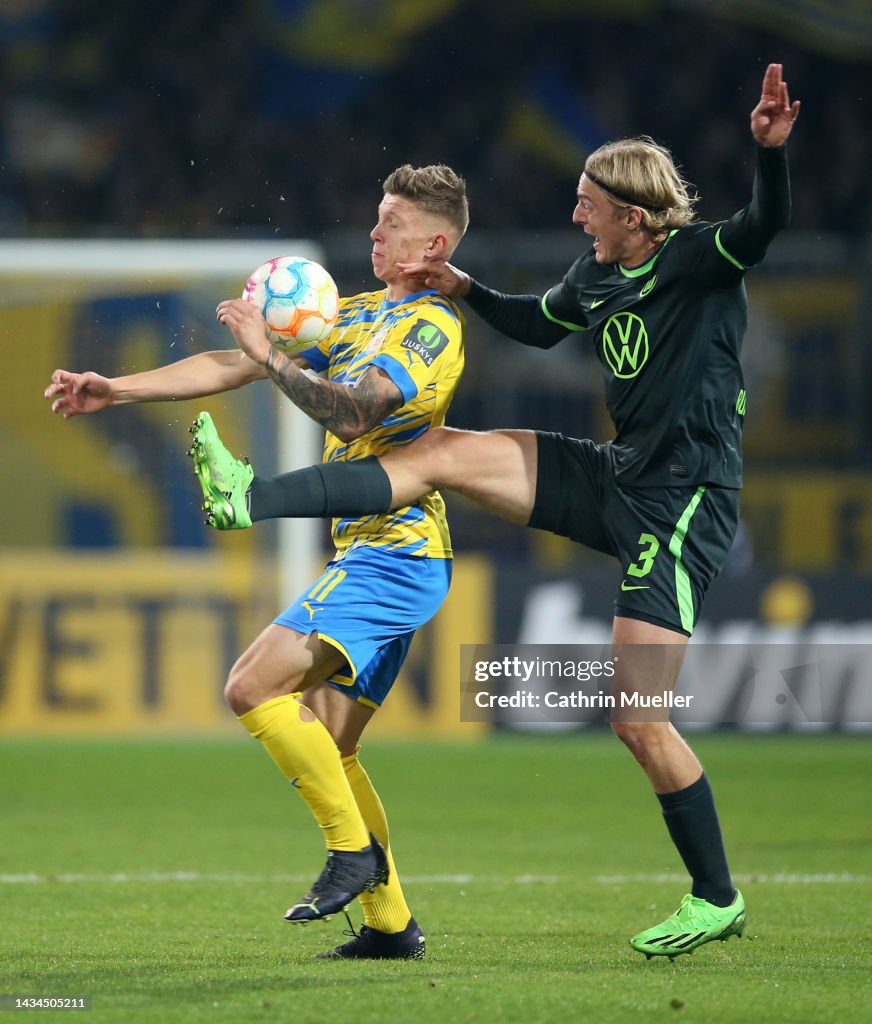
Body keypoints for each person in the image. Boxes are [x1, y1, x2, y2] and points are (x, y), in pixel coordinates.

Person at [193, 64, 800, 958]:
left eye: (589, 202)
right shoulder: (594, 276)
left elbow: (765, 224)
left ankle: (716, 896)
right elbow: (538, 324)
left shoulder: (697, 259)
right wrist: (466, 290)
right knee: (437, 453)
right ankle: (251, 497)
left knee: (638, 717)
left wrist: (767, 153)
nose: (576, 214)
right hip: (616, 473)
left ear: (634, 214)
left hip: (685, 499)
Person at [44, 163, 470, 961]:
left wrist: (271, 359)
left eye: (392, 225)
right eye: (376, 220)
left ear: (434, 244)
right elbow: (229, 363)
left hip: (398, 548)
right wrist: (118, 389)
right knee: (333, 748)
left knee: (250, 685)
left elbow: (354, 409)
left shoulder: (431, 329)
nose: (374, 233)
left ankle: (351, 856)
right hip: (376, 550)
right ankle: (389, 926)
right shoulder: (361, 310)